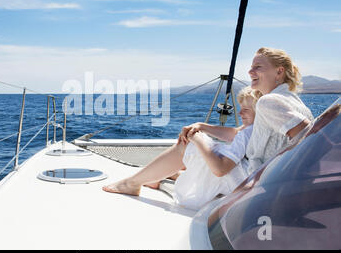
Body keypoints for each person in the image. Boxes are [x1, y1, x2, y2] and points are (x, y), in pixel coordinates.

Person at [103, 87, 262, 209]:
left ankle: (132, 183)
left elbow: (221, 169)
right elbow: (235, 133)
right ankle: (167, 175)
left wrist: (197, 138)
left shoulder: (250, 131)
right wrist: (202, 126)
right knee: (204, 152)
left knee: (188, 146)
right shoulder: (261, 126)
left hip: (241, 185)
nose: (240, 113)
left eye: (246, 110)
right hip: (252, 180)